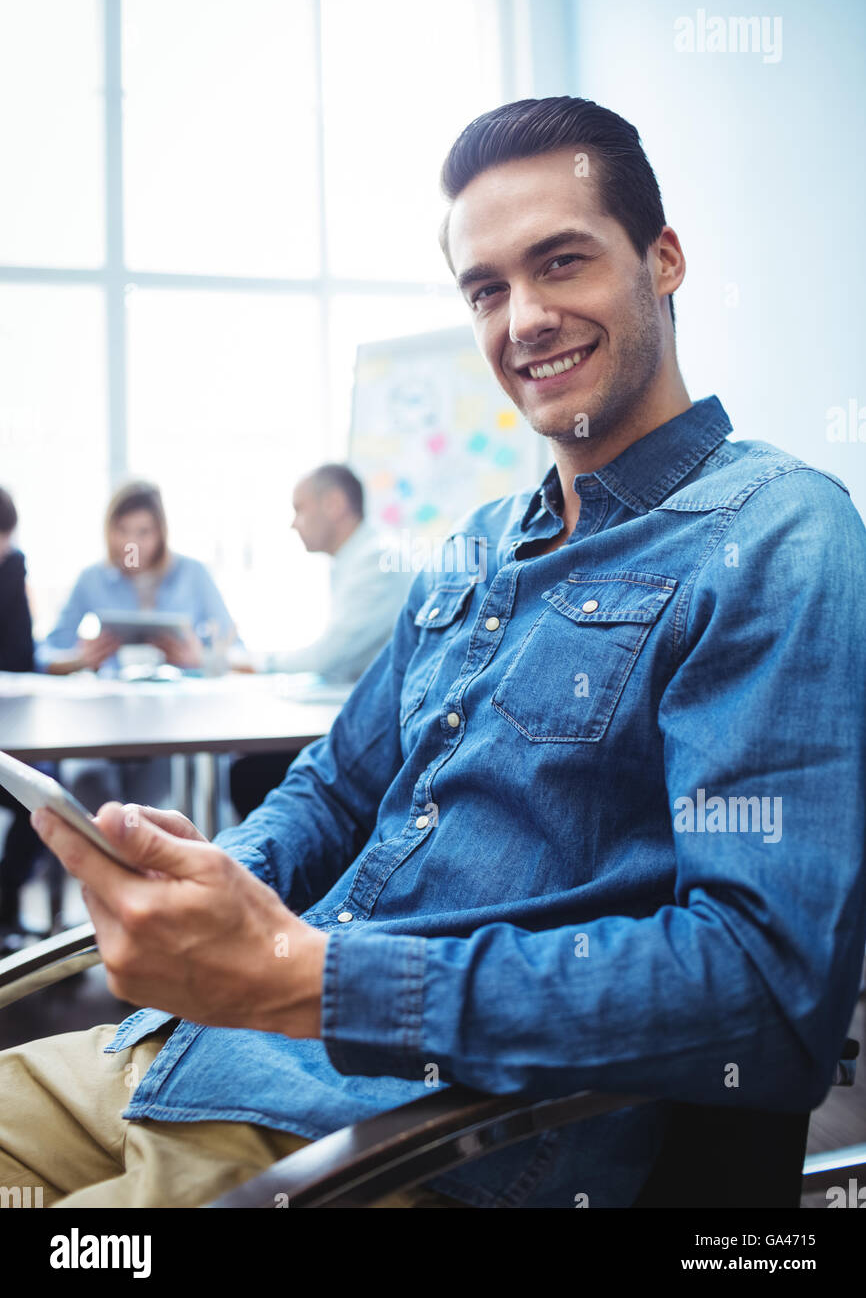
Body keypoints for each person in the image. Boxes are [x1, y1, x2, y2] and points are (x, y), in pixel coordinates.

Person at [2, 96, 864, 1210]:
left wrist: (312, 980)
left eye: (562, 263)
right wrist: (224, 876)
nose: (525, 318)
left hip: (394, 1142)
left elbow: (761, 992)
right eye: (486, 288)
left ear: (662, 261)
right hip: (181, 1055)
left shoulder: (776, 535)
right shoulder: (470, 551)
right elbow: (333, 784)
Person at [38, 480, 239, 813]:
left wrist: (199, 658)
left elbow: (235, 651)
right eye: (122, 530)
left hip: (174, 724)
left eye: (143, 531)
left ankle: (147, 857)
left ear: (161, 532)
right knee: (88, 783)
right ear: (109, 531)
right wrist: (79, 660)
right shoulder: (92, 579)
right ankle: (113, 855)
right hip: (107, 723)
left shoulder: (193, 575)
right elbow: (43, 656)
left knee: (157, 801)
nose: (132, 542)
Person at [229, 463, 412, 818]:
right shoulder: (356, 558)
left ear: (334, 504)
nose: (293, 523)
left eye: (300, 509)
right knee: (250, 767)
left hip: (384, 738)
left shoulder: (376, 561)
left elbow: (332, 656)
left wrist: (258, 662)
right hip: (371, 720)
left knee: (249, 775)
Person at [0, 487, 60, 950]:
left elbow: (21, 655)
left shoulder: (12, 565)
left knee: (42, 794)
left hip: (11, 728)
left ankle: (5, 909)